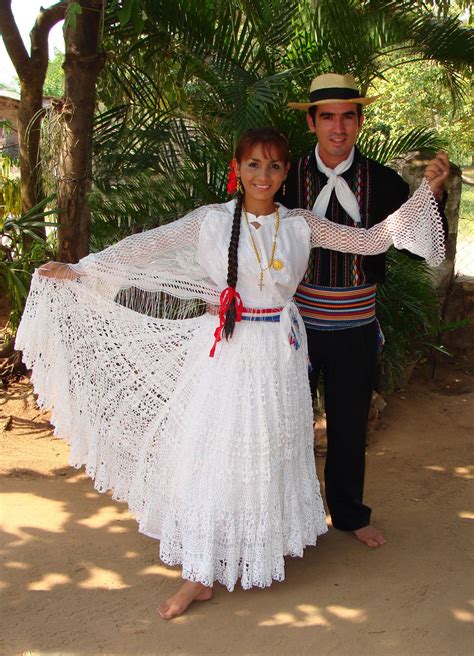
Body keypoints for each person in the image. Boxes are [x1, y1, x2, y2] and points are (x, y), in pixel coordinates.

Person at [16, 128, 446, 620]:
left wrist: (425, 196)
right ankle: (198, 574)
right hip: (226, 350)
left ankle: (254, 544)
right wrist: (81, 269)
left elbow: (371, 241)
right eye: (254, 165)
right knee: (214, 450)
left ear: (287, 174)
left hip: (281, 353)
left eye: (275, 166)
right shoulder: (211, 222)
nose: (264, 176)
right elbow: (146, 246)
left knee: (269, 445)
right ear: (237, 169)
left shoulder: (303, 223)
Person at [281, 73, 449, 548]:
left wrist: (431, 195)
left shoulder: (384, 181)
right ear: (312, 122)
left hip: (355, 327)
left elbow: (418, 248)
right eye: (328, 117)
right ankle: (291, 517)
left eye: (348, 116)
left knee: (350, 425)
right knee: (288, 423)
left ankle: (350, 515)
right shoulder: (284, 177)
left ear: (359, 120)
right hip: (292, 329)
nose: (338, 127)